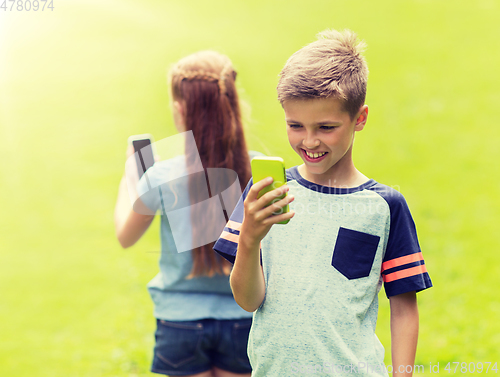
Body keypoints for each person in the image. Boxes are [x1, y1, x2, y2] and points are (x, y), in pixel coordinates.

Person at [213, 30, 432, 377]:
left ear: (359, 119)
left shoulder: (385, 206)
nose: (309, 140)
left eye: (326, 127)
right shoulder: (267, 192)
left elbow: (404, 306)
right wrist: (250, 238)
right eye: (295, 125)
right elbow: (248, 300)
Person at [114, 50, 255, 377]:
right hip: (243, 320)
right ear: (232, 105)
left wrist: (131, 179)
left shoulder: (161, 177)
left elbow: (126, 235)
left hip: (179, 323)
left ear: (180, 111)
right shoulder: (258, 171)